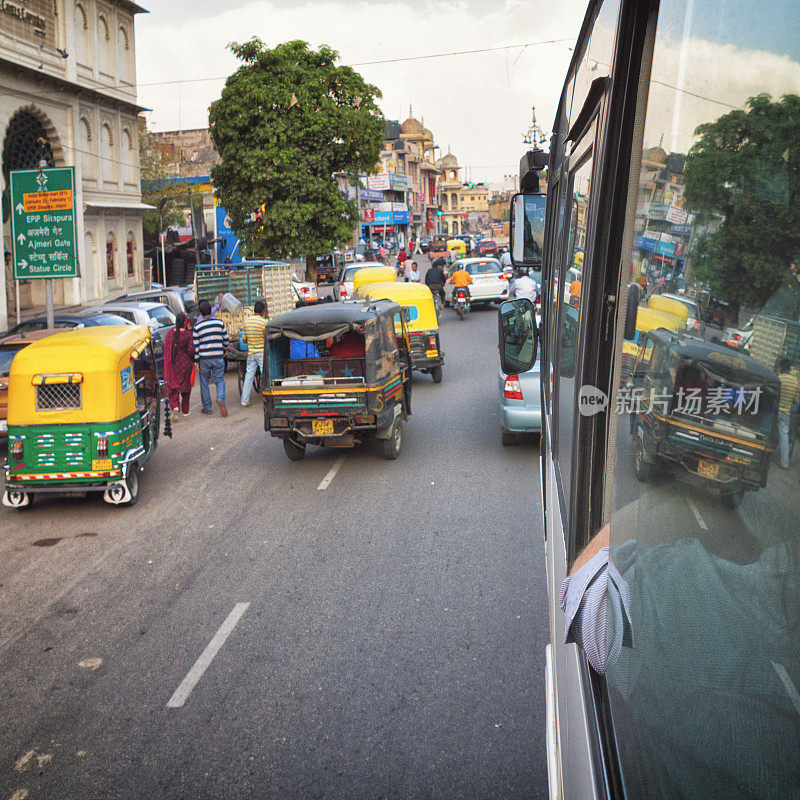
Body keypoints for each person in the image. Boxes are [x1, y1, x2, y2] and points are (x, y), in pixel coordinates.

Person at [193, 298, 230, 416]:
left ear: (200, 312)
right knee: (219, 380)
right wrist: (224, 350)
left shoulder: (197, 327)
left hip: (204, 359)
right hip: (218, 357)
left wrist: (196, 362)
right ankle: (220, 398)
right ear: (211, 310)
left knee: (204, 383)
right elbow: (226, 339)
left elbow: (196, 347)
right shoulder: (219, 323)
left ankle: (207, 408)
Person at [164, 312, 195, 417]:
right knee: (186, 388)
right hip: (185, 365)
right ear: (184, 322)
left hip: (173, 364)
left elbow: (167, 349)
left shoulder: (169, 333)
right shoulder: (187, 334)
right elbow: (191, 350)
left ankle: (175, 407)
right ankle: (185, 411)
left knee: (174, 387)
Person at [240, 300, 268, 407]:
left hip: (251, 353)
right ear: (263, 311)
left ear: (254, 310)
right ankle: (267, 400)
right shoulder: (264, 322)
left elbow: (244, 340)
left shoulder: (246, 322)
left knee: (248, 376)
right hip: (261, 353)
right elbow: (267, 338)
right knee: (265, 375)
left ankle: (244, 401)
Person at [777, 358, 799, 468]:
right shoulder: (795, 382)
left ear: (781, 367)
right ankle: (785, 463)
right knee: (784, 436)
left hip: (775, 412)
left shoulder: (778, 378)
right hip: (786, 413)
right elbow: (795, 401)